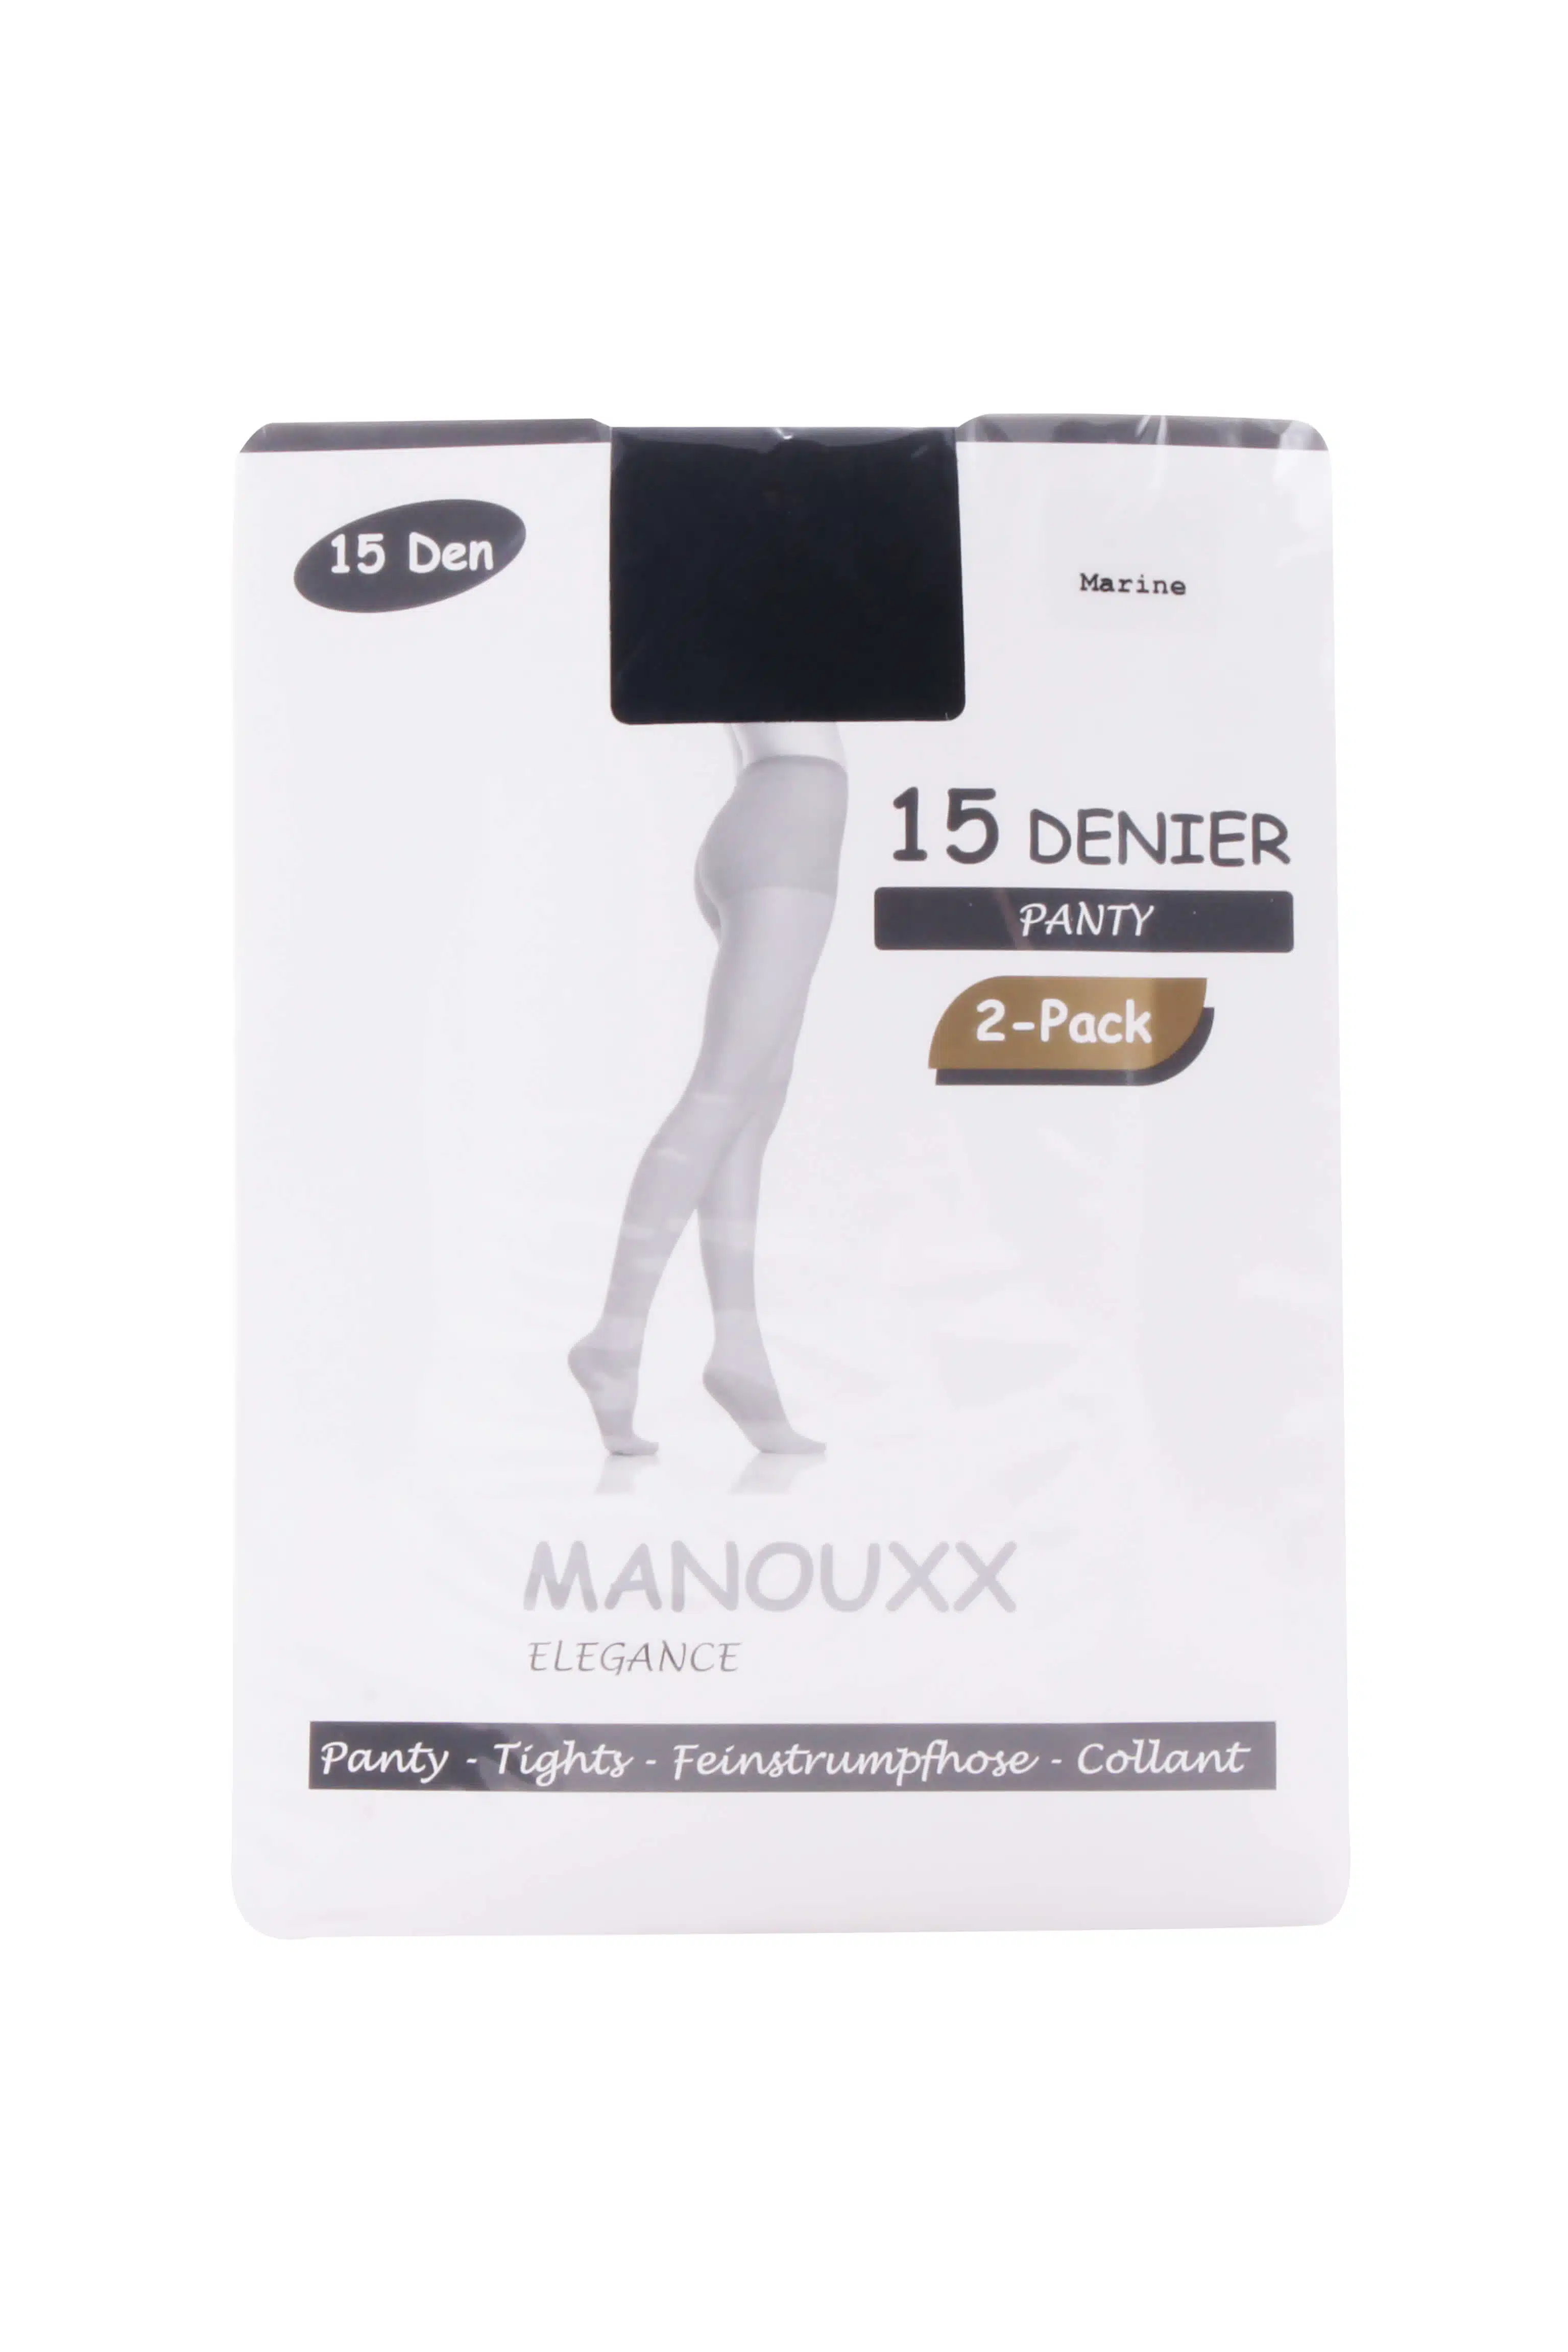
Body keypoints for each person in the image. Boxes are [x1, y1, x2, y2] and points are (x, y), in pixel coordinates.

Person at [569, 722, 847, 1453]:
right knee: (724, 1093)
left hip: (771, 810)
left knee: (750, 1108)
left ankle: (738, 1351)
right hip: (791, 822)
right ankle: (615, 1339)